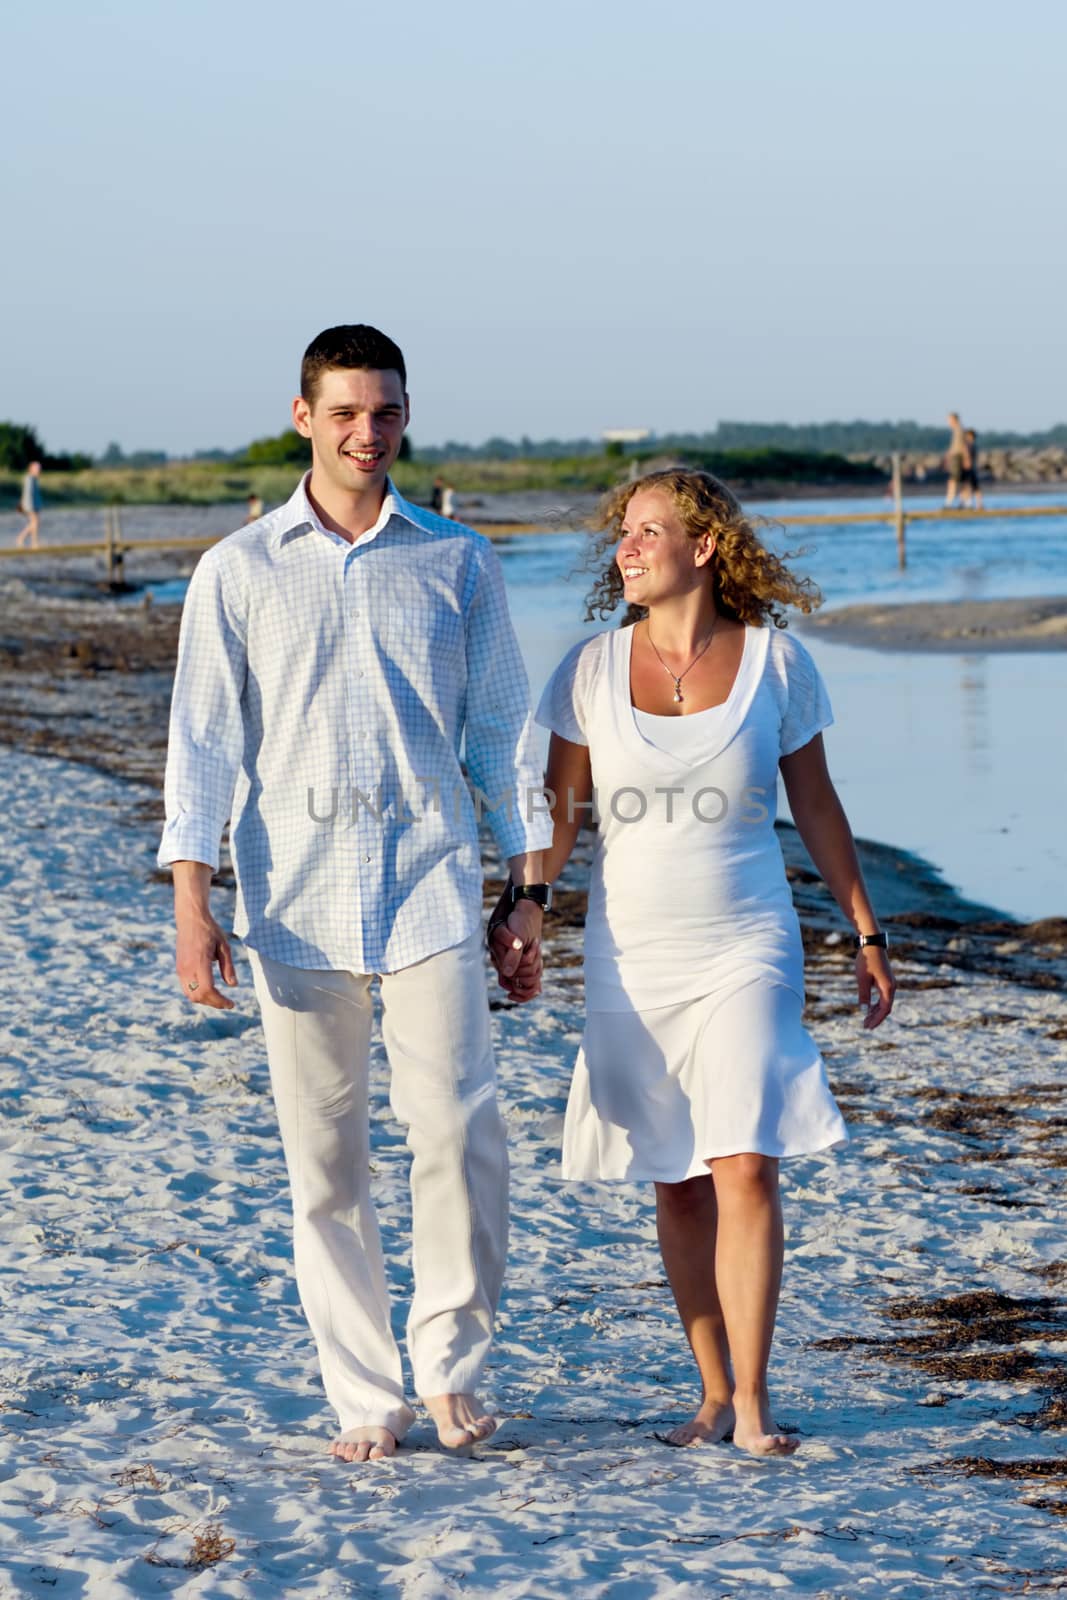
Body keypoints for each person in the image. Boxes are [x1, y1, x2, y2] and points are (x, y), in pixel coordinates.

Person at [159, 324, 552, 1465]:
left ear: (404, 415)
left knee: (459, 1131)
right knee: (324, 1162)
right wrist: (193, 901)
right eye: (343, 413)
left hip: (432, 885)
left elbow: (499, 743)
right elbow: (202, 748)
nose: (365, 433)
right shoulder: (237, 569)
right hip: (292, 897)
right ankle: (364, 1392)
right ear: (302, 417)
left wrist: (527, 895)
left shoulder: (458, 562)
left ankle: (450, 1368)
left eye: (382, 412)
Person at [517, 469, 895, 1458]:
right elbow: (557, 821)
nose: (626, 549)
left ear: (705, 547)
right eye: (622, 534)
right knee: (675, 1179)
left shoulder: (776, 665)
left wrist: (863, 929)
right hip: (631, 952)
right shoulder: (588, 670)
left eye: (648, 532)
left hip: (745, 944)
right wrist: (522, 904)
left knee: (745, 1160)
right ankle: (712, 1389)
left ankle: (758, 1402)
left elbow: (814, 806)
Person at [15, 460, 42, 549]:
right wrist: (29, 506)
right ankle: (33, 543)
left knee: (34, 523)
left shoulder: (34, 479)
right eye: (37, 469)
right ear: (31, 469)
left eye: (39, 469)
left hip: (34, 505)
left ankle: (22, 539)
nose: (39, 470)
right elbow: (27, 494)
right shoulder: (29, 478)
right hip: (30, 505)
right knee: (35, 523)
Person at [944, 412, 968, 508]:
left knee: (953, 480)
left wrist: (966, 459)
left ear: (954, 419)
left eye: (949, 420)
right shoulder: (957, 430)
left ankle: (949, 503)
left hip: (958, 458)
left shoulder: (959, 430)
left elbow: (963, 445)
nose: (948, 422)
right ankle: (964, 502)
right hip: (956, 457)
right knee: (960, 480)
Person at [961, 428, 983, 510]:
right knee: (974, 487)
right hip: (972, 469)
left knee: (968, 486)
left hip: (969, 469)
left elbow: (968, 458)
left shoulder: (969, 445)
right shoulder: (973, 445)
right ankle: (977, 504)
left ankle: (968, 504)